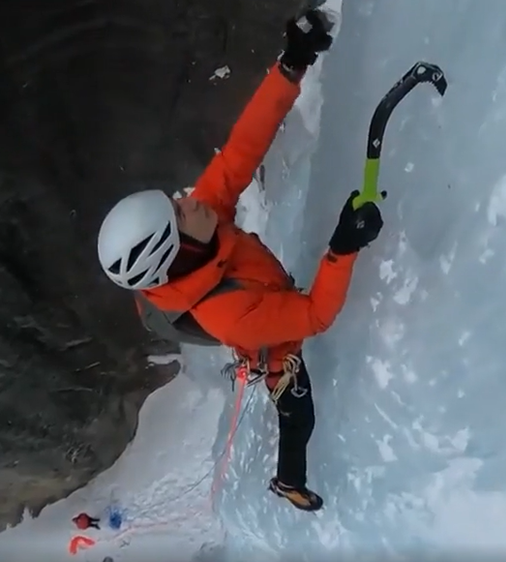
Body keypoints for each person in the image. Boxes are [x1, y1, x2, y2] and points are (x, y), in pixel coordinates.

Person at [95, 8, 384, 512]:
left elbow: (241, 151)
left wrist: (291, 66)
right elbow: (314, 314)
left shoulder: (200, 223)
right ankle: (289, 483)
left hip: (257, 292)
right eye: (179, 211)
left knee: (297, 412)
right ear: (177, 248)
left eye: (175, 199)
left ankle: (287, 478)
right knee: (298, 414)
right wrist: (342, 248)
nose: (190, 198)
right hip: (269, 339)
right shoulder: (229, 313)